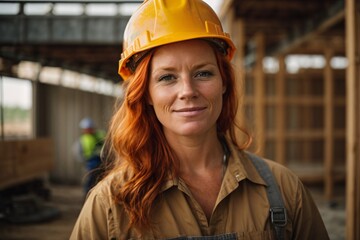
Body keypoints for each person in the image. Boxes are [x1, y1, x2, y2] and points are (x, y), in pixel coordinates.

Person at [70, 0, 329, 239]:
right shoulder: (110, 204)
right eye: (167, 77)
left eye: (203, 73)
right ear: (146, 94)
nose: (188, 91)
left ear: (224, 83)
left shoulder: (284, 190)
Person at [77, 117, 106, 195]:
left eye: (89, 128)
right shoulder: (83, 139)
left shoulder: (100, 135)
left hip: (101, 161)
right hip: (90, 162)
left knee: (101, 178)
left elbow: (106, 143)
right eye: (86, 129)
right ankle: (87, 194)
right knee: (89, 180)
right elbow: (79, 152)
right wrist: (83, 160)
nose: (88, 130)